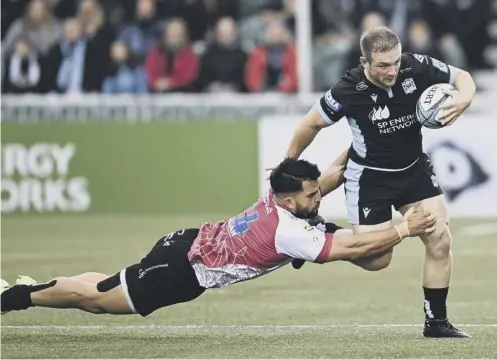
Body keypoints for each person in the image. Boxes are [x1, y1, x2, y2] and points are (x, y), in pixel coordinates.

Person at [1, 158, 436, 317]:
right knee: (94, 299)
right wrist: (405, 228)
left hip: (186, 242)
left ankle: (31, 289)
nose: (318, 197)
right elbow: (354, 248)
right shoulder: (289, 232)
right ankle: (17, 299)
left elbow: (333, 173)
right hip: (180, 272)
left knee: (106, 284)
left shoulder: (277, 196)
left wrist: (371, 146)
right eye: (310, 195)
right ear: (287, 199)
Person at [283, 26, 476, 338]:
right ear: (365, 62)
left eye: (396, 62)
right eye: (384, 65)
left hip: (413, 170)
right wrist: (289, 163)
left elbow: (462, 77)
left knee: (440, 235)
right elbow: (311, 123)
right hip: (369, 178)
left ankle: (436, 322)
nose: (393, 70)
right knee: (377, 260)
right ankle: (319, 231)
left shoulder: (416, 66)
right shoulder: (347, 90)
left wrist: (465, 98)